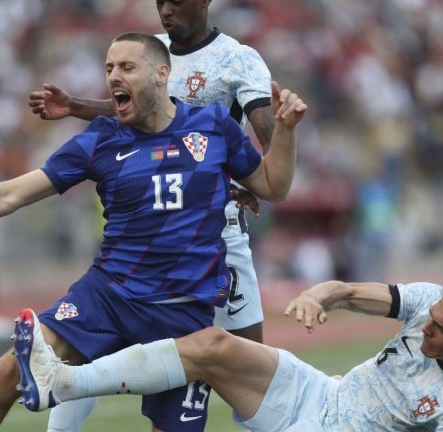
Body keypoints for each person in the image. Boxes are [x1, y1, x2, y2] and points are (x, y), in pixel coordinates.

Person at [0, 32, 306, 432]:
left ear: (162, 75)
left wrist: (284, 134)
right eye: (108, 69)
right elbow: (9, 195)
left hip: (183, 314)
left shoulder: (214, 127)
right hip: (108, 296)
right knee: (12, 368)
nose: (114, 77)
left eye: (126, 67)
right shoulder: (101, 139)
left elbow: (274, 186)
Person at [29, 2, 276, 426]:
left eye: (176, 0)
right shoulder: (149, 51)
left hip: (216, 234)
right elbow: (127, 111)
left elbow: (266, 133)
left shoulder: (238, 58)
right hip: (149, 235)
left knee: (248, 368)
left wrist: (250, 175)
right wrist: (75, 106)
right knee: (96, 342)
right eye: (160, 2)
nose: (166, 10)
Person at [17, 279, 443, 431]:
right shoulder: (430, 302)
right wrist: (318, 297)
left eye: (442, 332)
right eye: (431, 319)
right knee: (211, 345)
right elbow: (347, 291)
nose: (427, 331)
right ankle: (62, 383)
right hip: (322, 391)